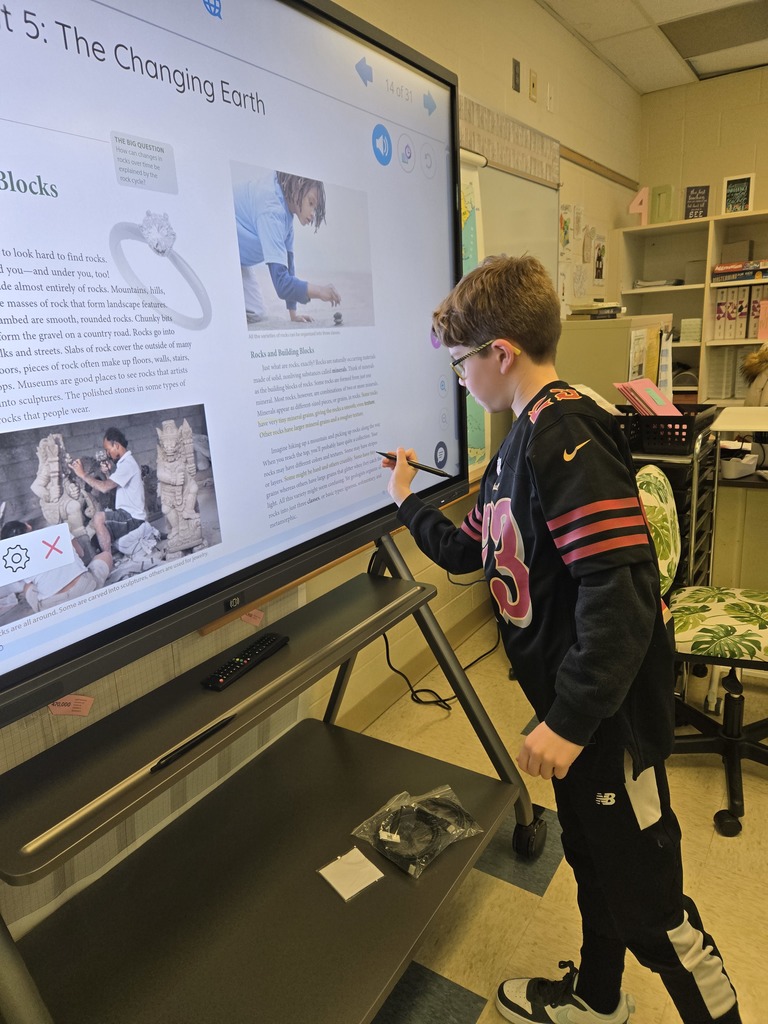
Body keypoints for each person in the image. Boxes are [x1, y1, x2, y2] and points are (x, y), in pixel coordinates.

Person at [381, 255, 741, 1024]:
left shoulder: (568, 432)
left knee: (654, 912)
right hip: (573, 719)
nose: (459, 378)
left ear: (500, 353)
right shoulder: (517, 446)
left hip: (608, 725)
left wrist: (571, 722)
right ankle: (598, 999)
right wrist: (406, 498)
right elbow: (468, 552)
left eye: (460, 362)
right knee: (594, 865)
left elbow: (623, 596)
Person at [233, 170, 341, 324]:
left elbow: (289, 267)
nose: (312, 214)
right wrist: (320, 291)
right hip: (220, 245)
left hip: (239, 259)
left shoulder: (287, 216)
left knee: (256, 313)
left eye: (315, 209)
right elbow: (282, 284)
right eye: (311, 203)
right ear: (297, 186)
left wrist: (293, 314)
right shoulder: (272, 209)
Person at [0, 520, 112, 610]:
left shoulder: (17, 558)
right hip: (84, 588)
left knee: (27, 586)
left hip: (54, 606)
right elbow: (81, 553)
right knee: (105, 556)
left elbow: (25, 583)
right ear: (28, 526)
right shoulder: (55, 530)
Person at [70, 428, 146, 554]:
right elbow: (115, 490)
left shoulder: (127, 464)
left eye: (108, 449)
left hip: (132, 518)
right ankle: (110, 550)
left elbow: (104, 487)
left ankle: (108, 557)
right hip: (125, 514)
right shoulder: (123, 464)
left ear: (116, 445)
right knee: (95, 541)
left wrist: (82, 474)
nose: (107, 454)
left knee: (98, 518)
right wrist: (108, 473)